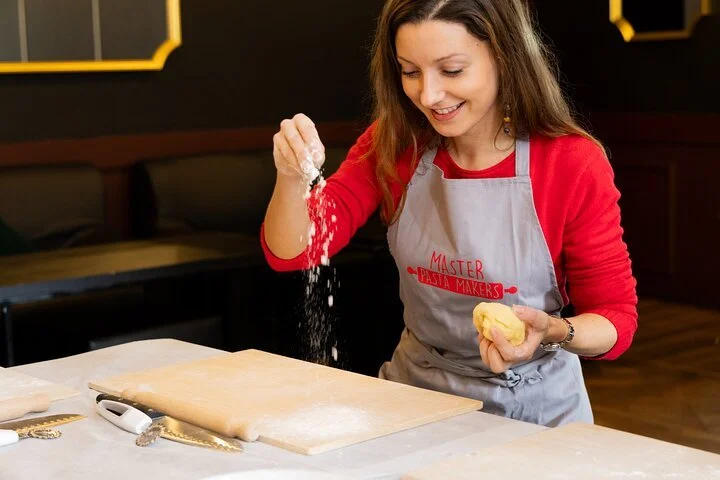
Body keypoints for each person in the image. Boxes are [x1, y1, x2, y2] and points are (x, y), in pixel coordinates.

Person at [261, 0, 637, 427]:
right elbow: (295, 253)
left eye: (452, 70)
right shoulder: (394, 144)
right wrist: (292, 178)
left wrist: (552, 332)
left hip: (534, 412)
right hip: (413, 397)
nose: (429, 95)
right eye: (410, 71)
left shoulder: (569, 162)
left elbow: (615, 319)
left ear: (505, 56)